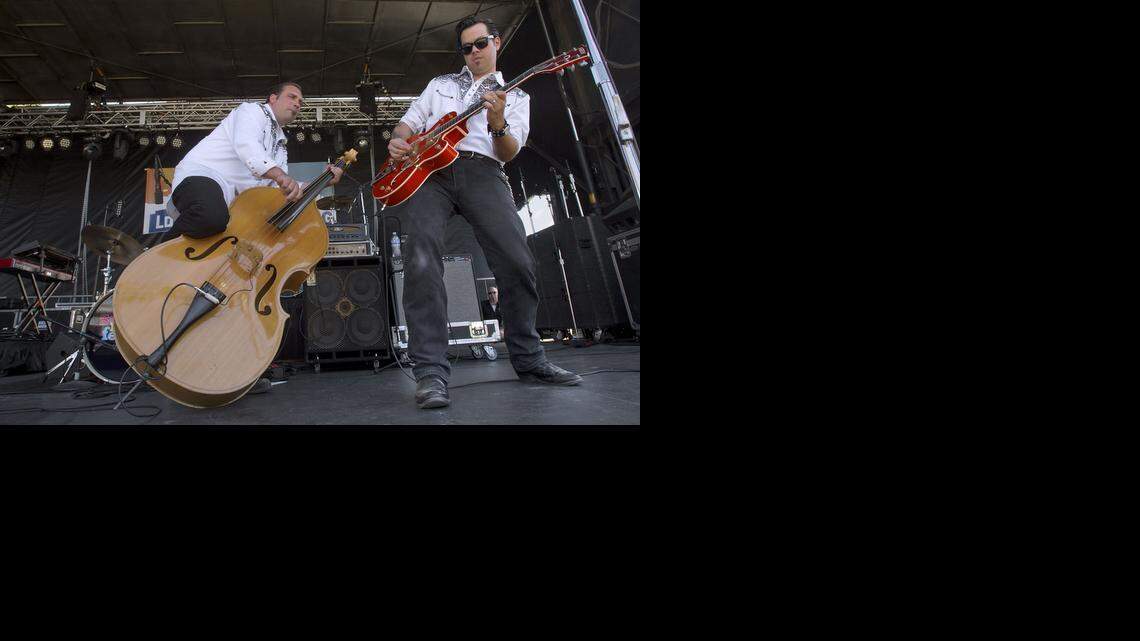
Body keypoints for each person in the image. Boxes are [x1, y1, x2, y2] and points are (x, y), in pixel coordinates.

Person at [390, 15, 581, 409]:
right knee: (420, 256)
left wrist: (497, 121)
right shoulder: (440, 85)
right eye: (466, 48)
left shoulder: (517, 96)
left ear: (496, 42)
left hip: (484, 170)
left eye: (480, 44)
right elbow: (407, 125)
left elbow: (508, 153)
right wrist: (397, 141)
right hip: (430, 173)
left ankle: (529, 358)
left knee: (517, 259)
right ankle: (430, 372)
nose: (474, 52)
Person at [166, 81, 342, 394]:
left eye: (301, 101)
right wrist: (280, 176)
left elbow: (278, 192)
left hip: (231, 211)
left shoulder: (280, 146)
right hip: (203, 177)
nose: (298, 103)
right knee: (210, 216)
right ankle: (155, 256)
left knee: (232, 289)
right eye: (292, 97)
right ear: (272, 98)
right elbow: (249, 150)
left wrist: (323, 181)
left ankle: (231, 369)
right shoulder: (251, 112)